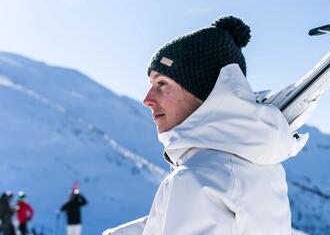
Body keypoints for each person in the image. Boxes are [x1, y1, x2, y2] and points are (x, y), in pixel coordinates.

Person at [102, 16, 306, 235]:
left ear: (206, 92)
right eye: (151, 84)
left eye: (162, 83)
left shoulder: (199, 177)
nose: (147, 99)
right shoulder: (253, 162)